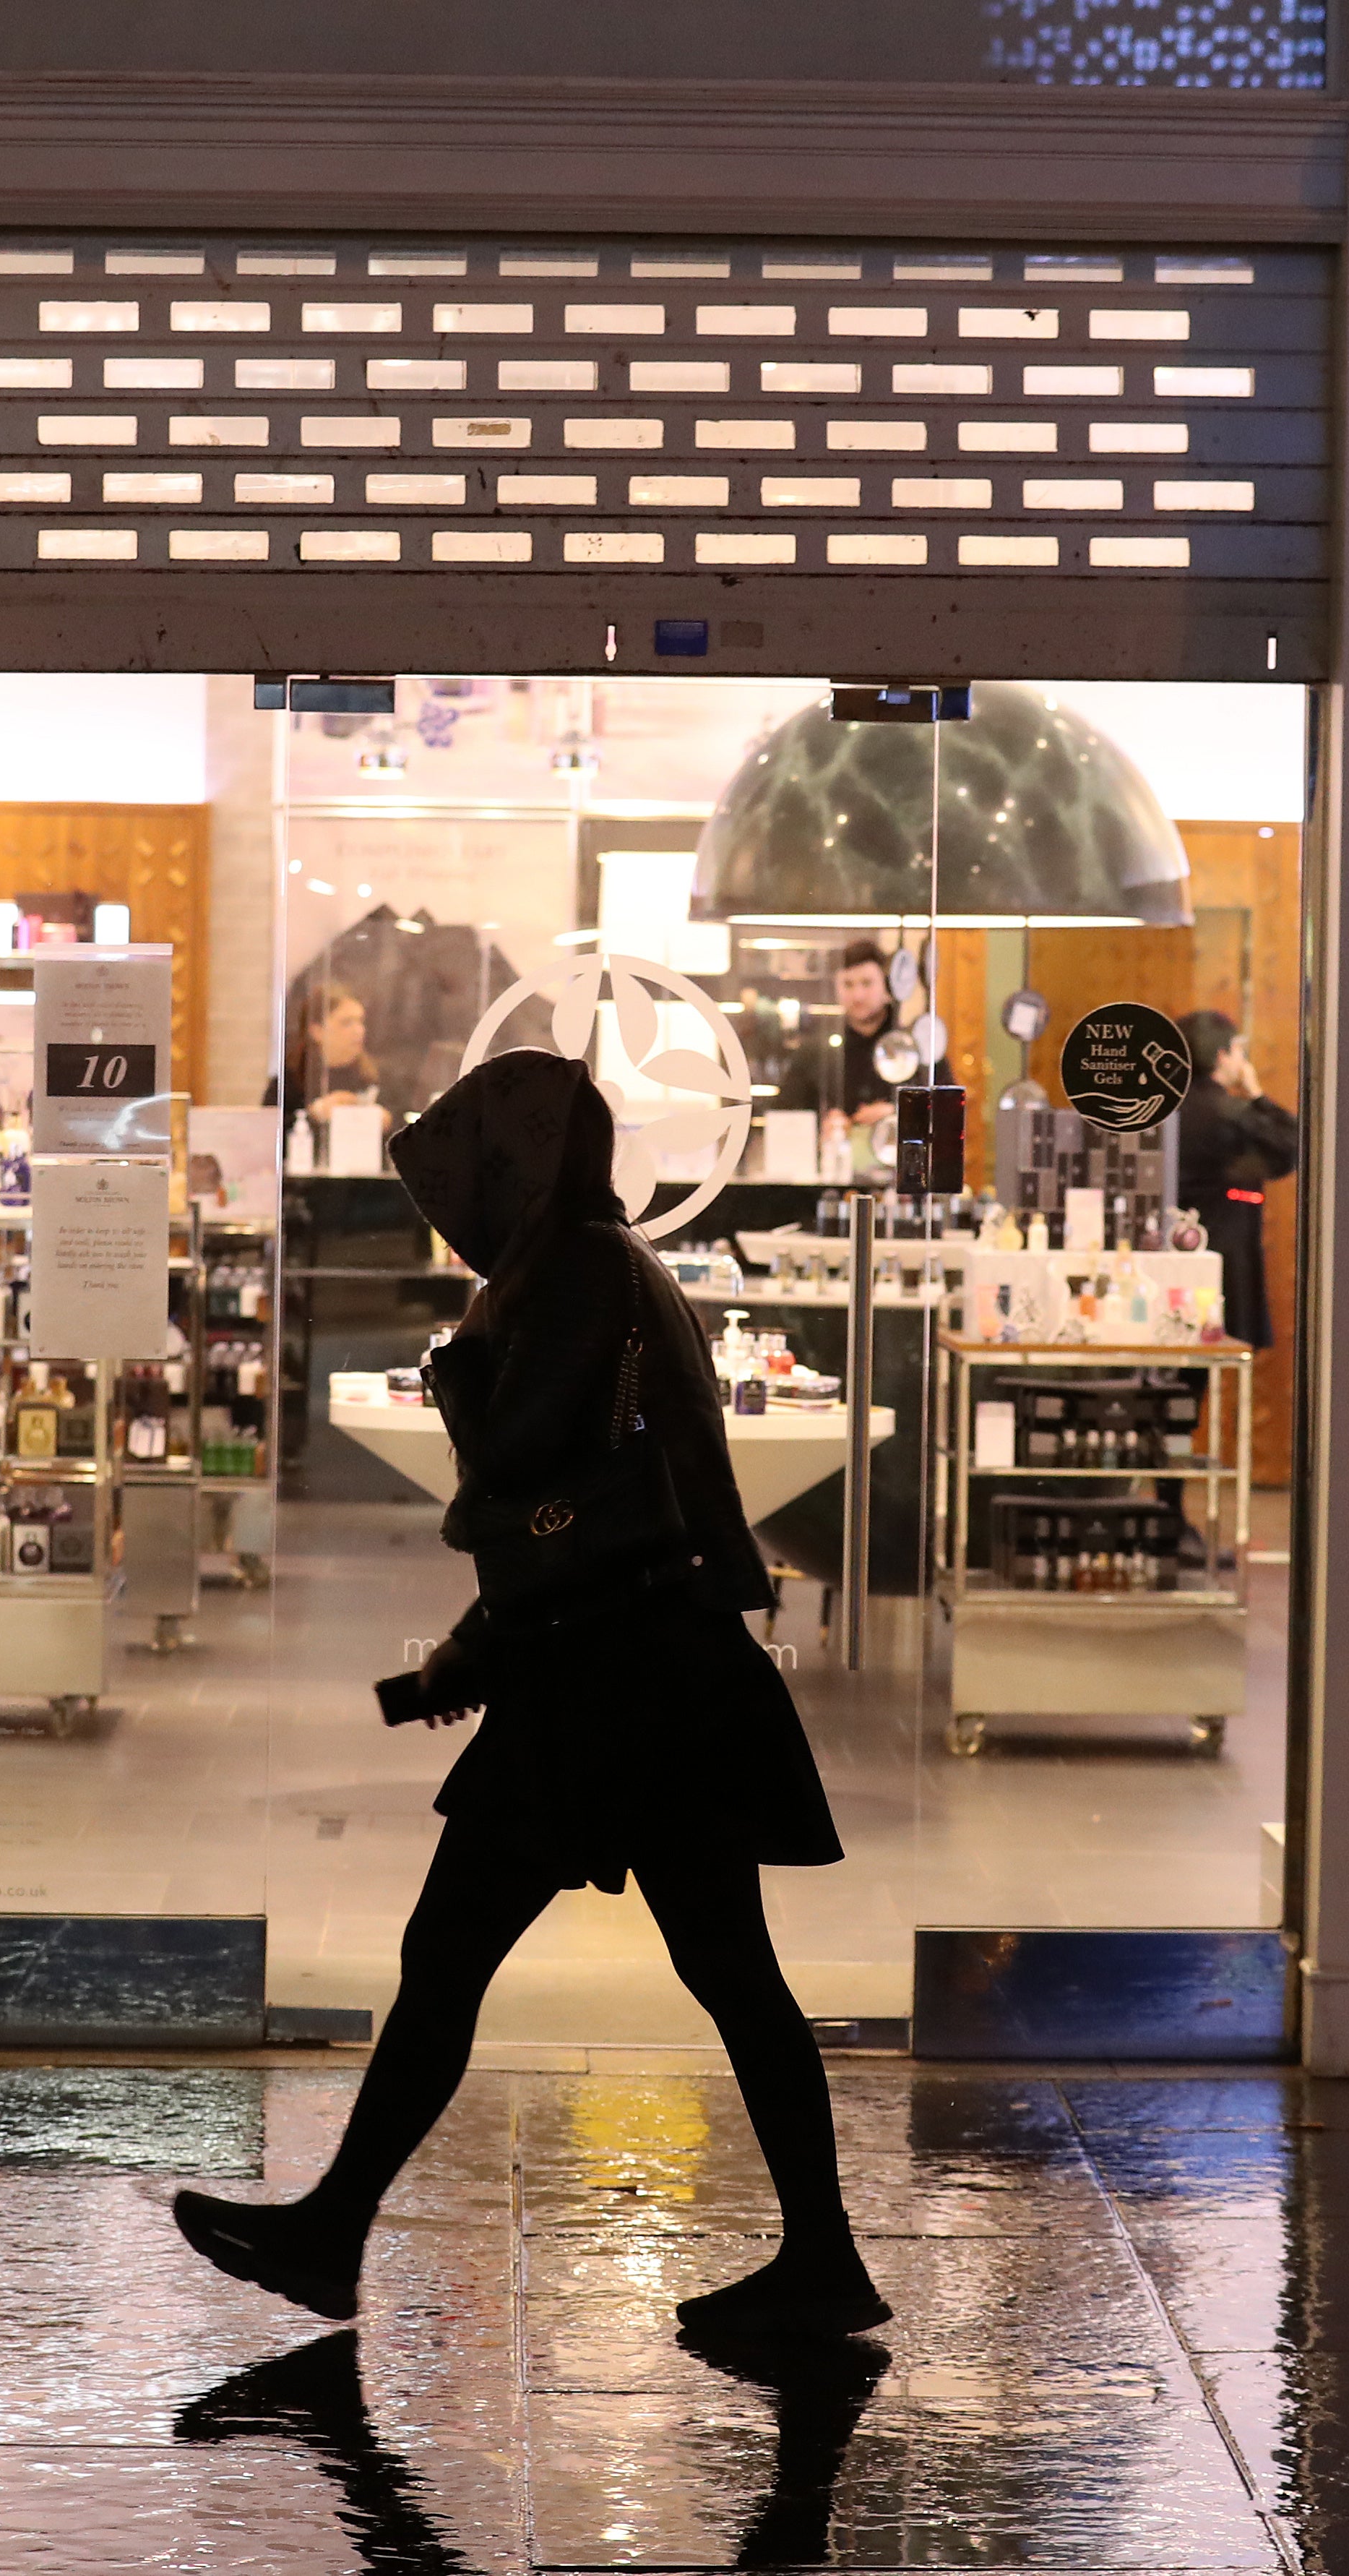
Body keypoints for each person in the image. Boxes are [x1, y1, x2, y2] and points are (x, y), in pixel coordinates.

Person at [172, 1049, 887, 2342]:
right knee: (720, 1969)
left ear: (518, 1163)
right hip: (649, 1669)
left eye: (469, 1168)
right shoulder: (613, 1268)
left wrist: (458, 1370)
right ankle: (818, 2254)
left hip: (611, 1688)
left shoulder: (567, 1277)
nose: (453, 1201)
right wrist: (475, 1647)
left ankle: (335, 2231)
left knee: (468, 1956)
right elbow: (579, 1512)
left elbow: (517, 1473)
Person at [1173, 1008, 1300, 1349]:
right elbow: (1293, 1145)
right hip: (1227, 1246)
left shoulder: (1164, 1109)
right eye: (1239, 1051)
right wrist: (1257, 1095)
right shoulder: (1231, 1112)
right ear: (1222, 1056)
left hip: (1171, 1250)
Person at [773, 940, 902, 1156]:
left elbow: (944, 1116)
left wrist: (897, 1115)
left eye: (867, 983)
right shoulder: (814, 1051)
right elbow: (784, 1118)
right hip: (833, 1171)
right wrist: (820, 1128)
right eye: (848, 985)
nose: (858, 995)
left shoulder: (915, 1047)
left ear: (887, 986)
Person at [271, 982, 385, 1146]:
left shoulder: (380, 1077)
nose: (359, 1030)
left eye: (360, 1021)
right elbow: (267, 1136)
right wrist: (314, 1115)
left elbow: (410, 1124)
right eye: (347, 1023)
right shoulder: (290, 1080)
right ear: (317, 1031)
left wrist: (385, 1122)